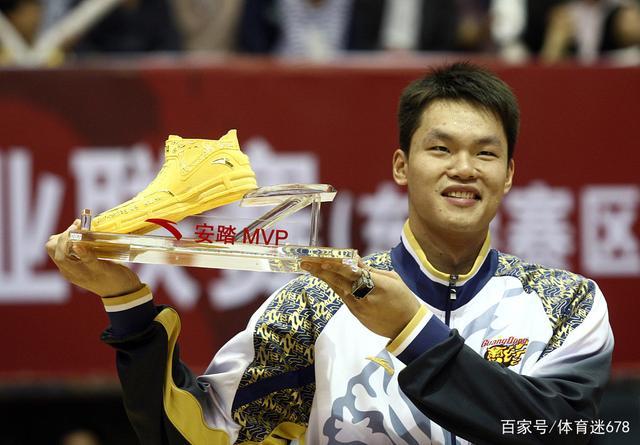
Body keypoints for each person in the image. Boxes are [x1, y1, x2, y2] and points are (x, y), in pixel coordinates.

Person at [46, 62, 614, 444]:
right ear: (401, 166)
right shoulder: (317, 303)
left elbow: (557, 429)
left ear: (510, 174)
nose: (463, 168)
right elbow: (198, 431)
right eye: (440, 148)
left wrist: (413, 332)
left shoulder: (567, 305)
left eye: (485, 153)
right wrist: (124, 300)